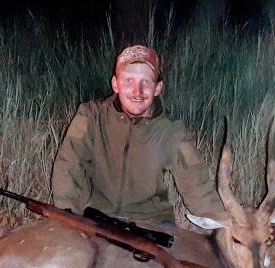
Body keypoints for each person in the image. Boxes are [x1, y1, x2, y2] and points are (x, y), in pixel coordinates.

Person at [51, 45, 224, 225]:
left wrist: (221, 223)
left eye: (146, 82)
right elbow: (69, 165)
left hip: (152, 223)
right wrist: (67, 213)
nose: (137, 91)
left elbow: (196, 184)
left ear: (158, 88)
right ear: (115, 84)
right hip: (97, 217)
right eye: (128, 81)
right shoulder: (90, 116)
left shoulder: (173, 131)